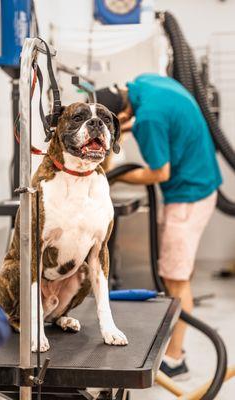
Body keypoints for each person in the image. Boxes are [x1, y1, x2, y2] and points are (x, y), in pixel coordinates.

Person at [96, 74, 222, 379]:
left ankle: (176, 360)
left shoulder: (147, 120)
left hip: (188, 196)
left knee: (175, 279)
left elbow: (159, 173)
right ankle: (175, 348)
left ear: (121, 116)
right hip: (200, 184)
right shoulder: (145, 82)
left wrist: (113, 176)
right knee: (175, 273)